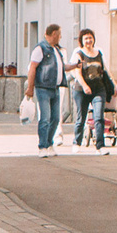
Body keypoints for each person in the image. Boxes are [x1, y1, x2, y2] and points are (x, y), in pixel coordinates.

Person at [27, 22, 68, 156]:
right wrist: (30, 88)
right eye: (58, 34)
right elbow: (33, 68)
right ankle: (42, 147)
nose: (59, 37)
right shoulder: (41, 48)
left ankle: (49, 143)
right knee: (45, 118)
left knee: (55, 118)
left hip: (55, 88)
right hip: (43, 88)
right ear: (52, 34)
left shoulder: (56, 50)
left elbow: (62, 67)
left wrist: (75, 66)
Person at [71, 28, 115, 150]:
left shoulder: (99, 53)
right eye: (86, 38)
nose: (88, 41)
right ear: (81, 41)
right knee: (81, 118)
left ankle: (100, 146)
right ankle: (77, 143)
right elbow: (77, 73)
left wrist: (114, 84)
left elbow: (106, 70)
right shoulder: (79, 54)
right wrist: (85, 86)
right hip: (81, 90)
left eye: (90, 38)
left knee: (99, 117)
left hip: (98, 88)